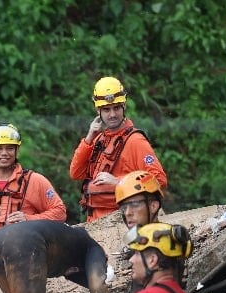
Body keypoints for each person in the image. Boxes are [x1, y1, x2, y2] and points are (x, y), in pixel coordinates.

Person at [69, 76, 168, 222]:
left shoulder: (135, 141)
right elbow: (75, 173)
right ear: (98, 110)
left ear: (124, 106)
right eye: (107, 110)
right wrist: (88, 139)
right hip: (96, 222)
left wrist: (118, 181)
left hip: (123, 222)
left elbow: (159, 180)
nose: (113, 114)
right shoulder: (98, 140)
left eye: (116, 108)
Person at [0, 123, 66, 251]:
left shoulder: (34, 181)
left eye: (9, 148)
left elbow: (60, 213)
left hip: (27, 254)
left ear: (17, 150)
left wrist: (28, 219)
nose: (4, 153)